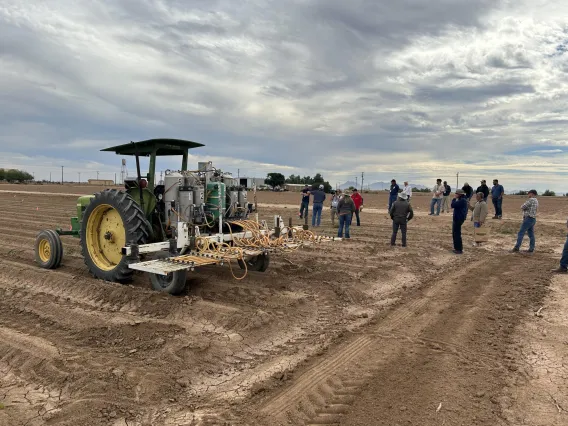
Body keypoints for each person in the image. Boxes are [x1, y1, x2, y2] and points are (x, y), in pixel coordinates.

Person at [451, 189, 468, 254]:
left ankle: (459, 249)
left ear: (460, 194)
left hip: (458, 219)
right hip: (458, 218)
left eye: (456, 193)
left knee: (456, 234)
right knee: (455, 233)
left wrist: (454, 199)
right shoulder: (463, 200)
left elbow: (452, 205)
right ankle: (457, 248)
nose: (455, 194)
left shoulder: (462, 200)